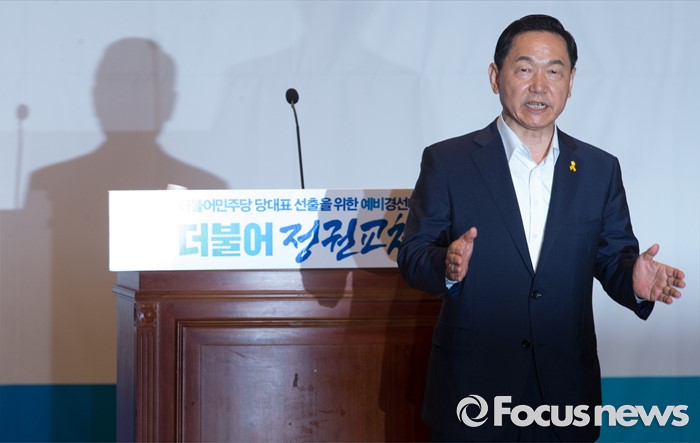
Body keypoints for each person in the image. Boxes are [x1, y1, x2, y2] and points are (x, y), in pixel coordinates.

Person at [397, 14, 686, 442]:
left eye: (554, 71)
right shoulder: (448, 162)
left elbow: (612, 258)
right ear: (495, 77)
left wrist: (633, 280)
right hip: (473, 391)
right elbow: (413, 254)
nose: (539, 86)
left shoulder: (598, 169)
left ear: (571, 82)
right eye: (524, 69)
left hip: (565, 394)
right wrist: (447, 264)